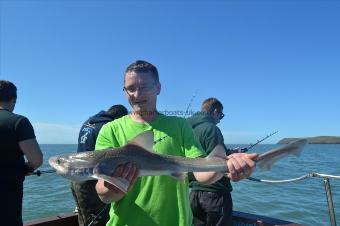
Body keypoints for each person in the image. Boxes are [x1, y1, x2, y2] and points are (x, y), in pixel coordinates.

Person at [94, 60, 258, 226]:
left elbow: (202, 173)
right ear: (124, 91)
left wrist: (227, 166)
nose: (136, 94)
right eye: (130, 88)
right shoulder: (110, 130)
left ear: (158, 88)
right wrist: (113, 187)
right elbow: (104, 195)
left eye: (144, 87)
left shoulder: (179, 125)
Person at [71, 105, 128, 226]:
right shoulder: (107, 127)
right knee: (96, 219)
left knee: (84, 216)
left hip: (76, 178)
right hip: (90, 179)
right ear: (119, 117)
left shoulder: (89, 122)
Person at [188, 97, 239, 226]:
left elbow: (204, 156)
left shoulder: (186, 129)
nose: (219, 120)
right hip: (215, 195)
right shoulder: (211, 129)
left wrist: (227, 153)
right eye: (220, 116)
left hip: (193, 195)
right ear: (215, 112)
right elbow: (217, 163)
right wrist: (233, 158)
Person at [0, 80, 43, 226]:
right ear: (13, 100)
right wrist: (26, 168)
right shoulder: (18, 122)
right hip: (7, 196)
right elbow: (36, 159)